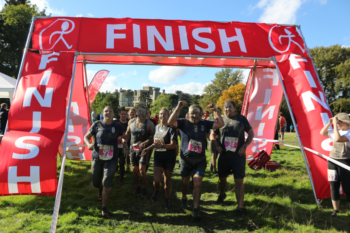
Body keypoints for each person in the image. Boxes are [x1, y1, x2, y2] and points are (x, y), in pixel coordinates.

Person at [168, 101, 224, 220]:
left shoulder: (205, 123)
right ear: (188, 114)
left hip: (199, 160)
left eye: (197, 114)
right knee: (184, 183)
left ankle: (195, 208)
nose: (194, 116)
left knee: (198, 183)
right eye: (192, 114)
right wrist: (178, 107)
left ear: (200, 114)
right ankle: (184, 197)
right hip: (185, 160)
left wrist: (215, 110)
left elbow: (220, 123)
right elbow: (170, 122)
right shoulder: (183, 122)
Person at [210, 100, 254, 219]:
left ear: (235, 108)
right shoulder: (221, 120)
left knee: (239, 182)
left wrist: (244, 146)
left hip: (238, 156)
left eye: (230, 107)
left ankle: (240, 208)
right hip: (224, 155)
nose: (227, 109)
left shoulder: (241, 119)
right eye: (225, 107)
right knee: (221, 179)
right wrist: (217, 145)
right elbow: (212, 135)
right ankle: (222, 194)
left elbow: (251, 133)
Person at [84, 106, 123, 217]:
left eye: (110, 111)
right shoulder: (97, 124)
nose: (108, 113)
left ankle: (104, 207)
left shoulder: (117, 125)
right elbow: (86, 137)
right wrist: (88, 144)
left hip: (112, 157)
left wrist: (123, 140)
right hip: (97, 156)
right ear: (103, 113)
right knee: (96, 182)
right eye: (106, 111)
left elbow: (123, 136)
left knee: (107, 181)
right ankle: (100, 189)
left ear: (113, 113)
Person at [141, 107, 177, 209]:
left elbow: (173, 145)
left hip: (169, 157)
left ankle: (167, 199)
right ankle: (157, 189)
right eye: (161, 114)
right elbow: (155, 142)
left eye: (165, 114)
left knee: (167, 180)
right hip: (158, 156)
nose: (162, 116)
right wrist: (147, 149)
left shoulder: (171, 128)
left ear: (168, 116)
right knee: (156, 180)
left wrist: (162, 146)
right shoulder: (157, 127)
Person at [320, 113, 350, 217]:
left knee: (347, 187)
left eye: (339, 122)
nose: (336, 124)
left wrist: (336, 128)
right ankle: (335, 210)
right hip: (332, 161)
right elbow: (322, 132)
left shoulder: (349, 132)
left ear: (345, 123)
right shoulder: (336, 131)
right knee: (334, 185)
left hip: (345, 161)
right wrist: (329, 124)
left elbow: (337, 139)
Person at [125, 106, 155, 197]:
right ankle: (138, 186)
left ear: (146, 114)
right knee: (134, 170)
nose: (141, 114)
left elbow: (154, 137)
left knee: (142, 170)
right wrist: (125, 144)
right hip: (133, 149)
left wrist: (145, 142)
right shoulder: (131, 122)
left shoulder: (149, 124)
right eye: (140, 112)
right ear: (137, 112)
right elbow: (128, 133)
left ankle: (144, 188)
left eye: (144, 112)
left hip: (144, 150)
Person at [114, 108, 129, 186]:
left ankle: (121, 179)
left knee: (122, 162)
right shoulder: (115, 122)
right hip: (115, 146)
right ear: (120, 114)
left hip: (124, 146)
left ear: (127, 115)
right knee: (115, 162)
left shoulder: (129, 123)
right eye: (122, 114)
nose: (123, 115)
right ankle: (114, 171)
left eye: (125, 114)